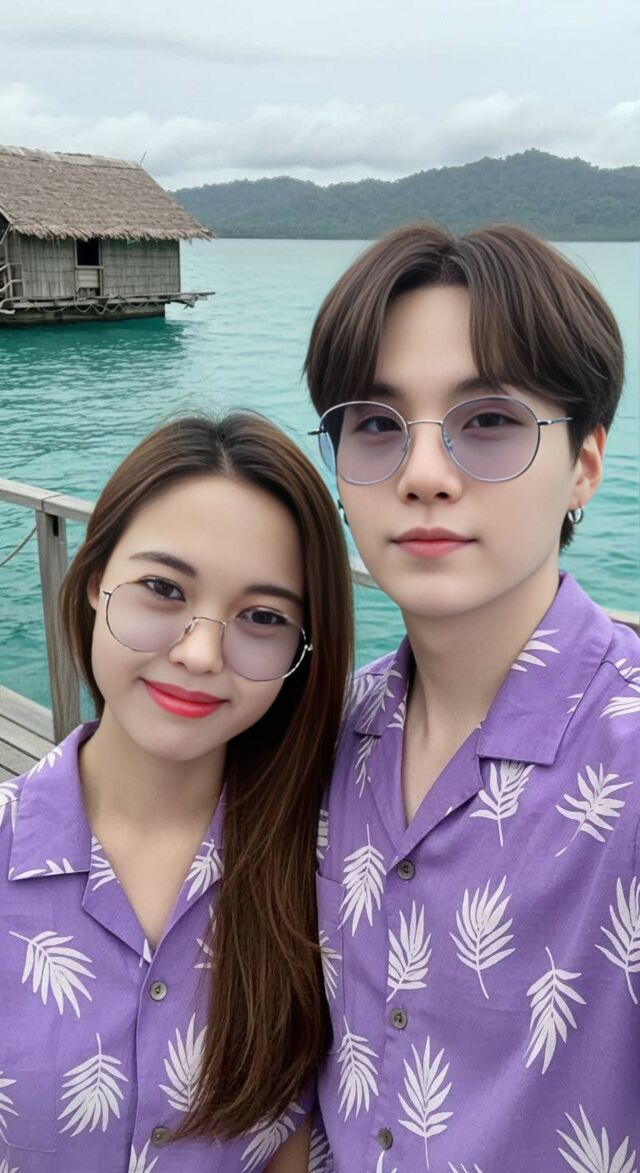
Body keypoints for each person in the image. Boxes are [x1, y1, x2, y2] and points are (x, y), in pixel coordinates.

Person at [305, 224, 640, 1172]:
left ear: (584, 464)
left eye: (488, 419)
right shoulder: (327, 732)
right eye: (376, 424)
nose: (422, 475)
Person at [0, 412, 351, 1173]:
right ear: (92, 583)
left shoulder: (327, 871)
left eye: (262, 616)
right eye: (162, 588)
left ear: (302, 648)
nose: (199, 652)